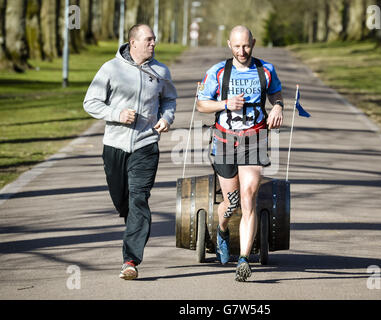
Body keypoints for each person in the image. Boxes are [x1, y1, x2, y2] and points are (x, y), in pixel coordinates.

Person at [83, 24, 177, 280]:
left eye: (154, 40)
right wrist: (116, 114)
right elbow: (90, 102)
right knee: (122, 201)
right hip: (115, 145)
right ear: (133, 42)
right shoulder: (110, 69)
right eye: (148, 40)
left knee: (139, 199)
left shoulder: (160, 70)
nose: (153, 44)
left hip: (146, 145)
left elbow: (169, 99)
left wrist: (167, 118)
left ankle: (130, 261)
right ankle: (132, 219)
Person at [196, 25, 284, 281]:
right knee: (231, 202)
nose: (242, 51)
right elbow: (202, 104)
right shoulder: (218, 71)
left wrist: (278, 106)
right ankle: (222, 229)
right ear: (229, 44)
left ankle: (244, 259)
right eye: (237, 46)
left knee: (248, 197)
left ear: (253, 42)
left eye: (246, 45)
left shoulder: (265, 69)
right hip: (224, 140)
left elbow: (276, 93)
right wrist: (224, 103)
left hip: (254, 138)